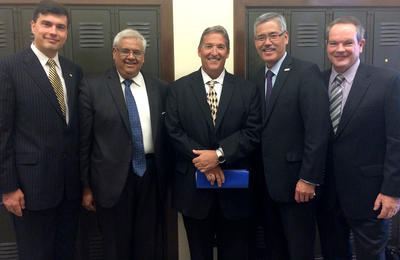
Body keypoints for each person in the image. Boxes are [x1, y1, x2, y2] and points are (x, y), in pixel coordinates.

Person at [165, 25, 261, 260]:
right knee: (199, 254)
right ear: (199, 50)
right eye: (209, 46)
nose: (214, 52)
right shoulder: (178, 89)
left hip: (236, 192)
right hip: (193, 190)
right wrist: (205, 161)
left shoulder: (247, 90)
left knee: (235, 253)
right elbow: (173, 131)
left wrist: (218, 156)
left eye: (220, 47)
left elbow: (252, 132)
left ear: (227, 52)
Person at [0, 1, 83, 259]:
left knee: (65, 252)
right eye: (47, 24)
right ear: (33, 26)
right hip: (30, 190)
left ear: (66, 32)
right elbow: (2, 132)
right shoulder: (9, 67)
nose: (53, 31)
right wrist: (8, 187)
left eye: (60, 27)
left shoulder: (73, 71)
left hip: (69, 190)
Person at [79, 28, 169, 260]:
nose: (131, 56)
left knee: (149, 244)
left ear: (143, 56)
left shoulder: (160, 88)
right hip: (110, 181)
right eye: (125, 51)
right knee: (116, 247)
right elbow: (84, 142)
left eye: (137, 52)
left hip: (151, 177)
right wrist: (86, 187)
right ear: (114, 52)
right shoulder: (92, 87)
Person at [317, 16, 400, 260]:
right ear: (326, 45)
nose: (339, 49)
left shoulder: (387, 82)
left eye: (347, 43)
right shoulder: (316, 82)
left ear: (361, 44)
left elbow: (396, 140)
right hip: (328, 196)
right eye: (333, 43)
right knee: (333, 254)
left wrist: (392, 191)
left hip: (371, 196)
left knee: (371, 256)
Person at [251, 12, 330, 260]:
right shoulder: (255, 78)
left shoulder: (306, 73)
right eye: (261, 37)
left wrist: (308, 177)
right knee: (274, 250)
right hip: (265, 186)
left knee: (299, 251)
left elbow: (318, 130)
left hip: (298, 187)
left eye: (273, 35)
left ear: (285, 37)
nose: (267, 42)